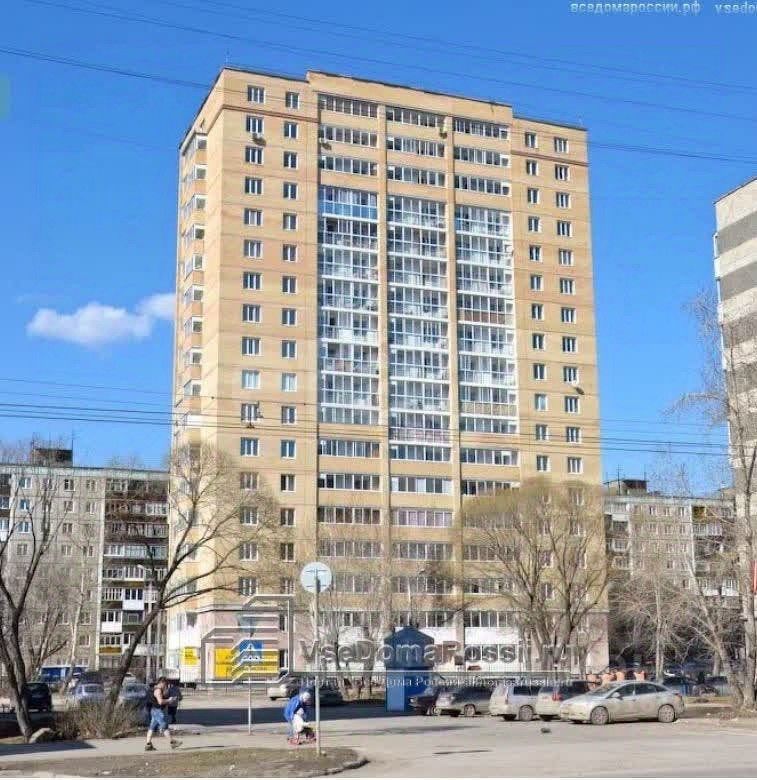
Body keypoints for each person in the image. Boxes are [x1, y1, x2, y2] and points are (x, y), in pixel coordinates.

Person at [145, 677, 182, 751]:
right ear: (162, 683)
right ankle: (172, 742)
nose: (166, 686)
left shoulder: (155, 689)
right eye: (165, 684)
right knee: (164, 725)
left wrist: (170, 700)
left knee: (152, 727)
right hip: (157, 711)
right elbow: (160, 702)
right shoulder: (158, 690)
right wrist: (169, 700)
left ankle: (148, 745)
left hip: (154, 710)